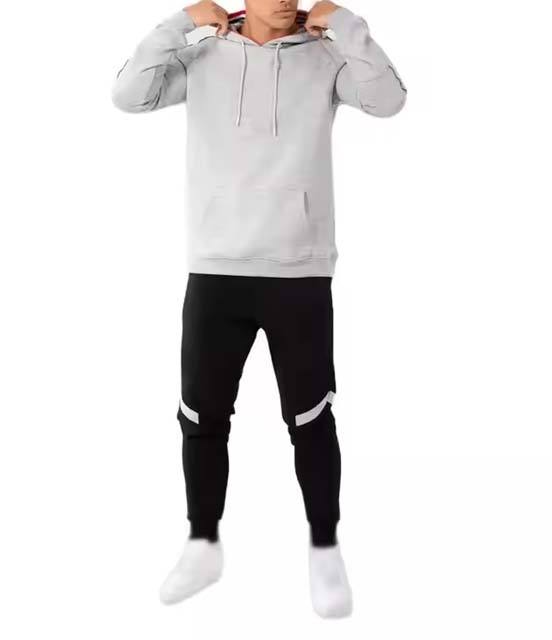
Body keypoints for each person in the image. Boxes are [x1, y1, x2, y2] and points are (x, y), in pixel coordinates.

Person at [111, 0, 406, 618]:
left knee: (311, 418)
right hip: (216, 266)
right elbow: (129, 95)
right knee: (200, 415)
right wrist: (180, 22)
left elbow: (388, 101)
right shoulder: (202, 57)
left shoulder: (326, 57)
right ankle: (202, 543)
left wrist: (345, 24)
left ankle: (325, 547)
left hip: (299, 269)